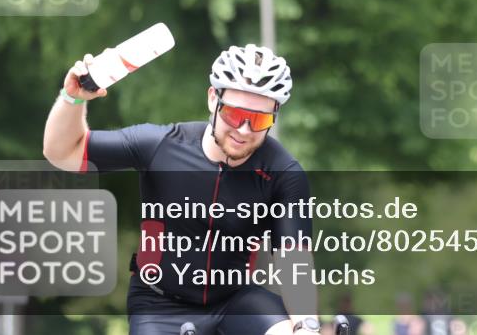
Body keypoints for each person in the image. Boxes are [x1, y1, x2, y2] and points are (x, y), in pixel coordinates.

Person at [43, 43, 320, 335]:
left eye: (260, 119)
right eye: (235, 115)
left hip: (235, 301)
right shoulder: (160, 145)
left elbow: (294, 261)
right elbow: (61, 153)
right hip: (159, 303)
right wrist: (72, 99)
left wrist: (307, 324)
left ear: (275, 115)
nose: (244, 130)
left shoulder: (283, 173)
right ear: (214, 98)